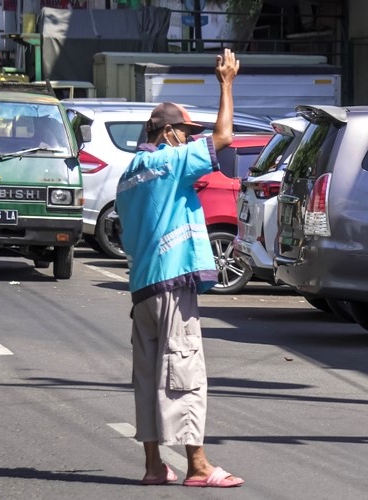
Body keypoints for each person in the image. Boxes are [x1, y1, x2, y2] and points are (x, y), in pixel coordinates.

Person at [115, 48, 244, 488]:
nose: (191, 139)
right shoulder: (170, 162)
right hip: (172, 286)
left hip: (143, 288)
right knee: (184, 373)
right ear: (168, 133)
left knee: (150, 377)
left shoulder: (130, 173)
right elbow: (224, 138)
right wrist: (226, 82)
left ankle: (154, 466)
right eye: (186, 132)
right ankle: (199, 466)